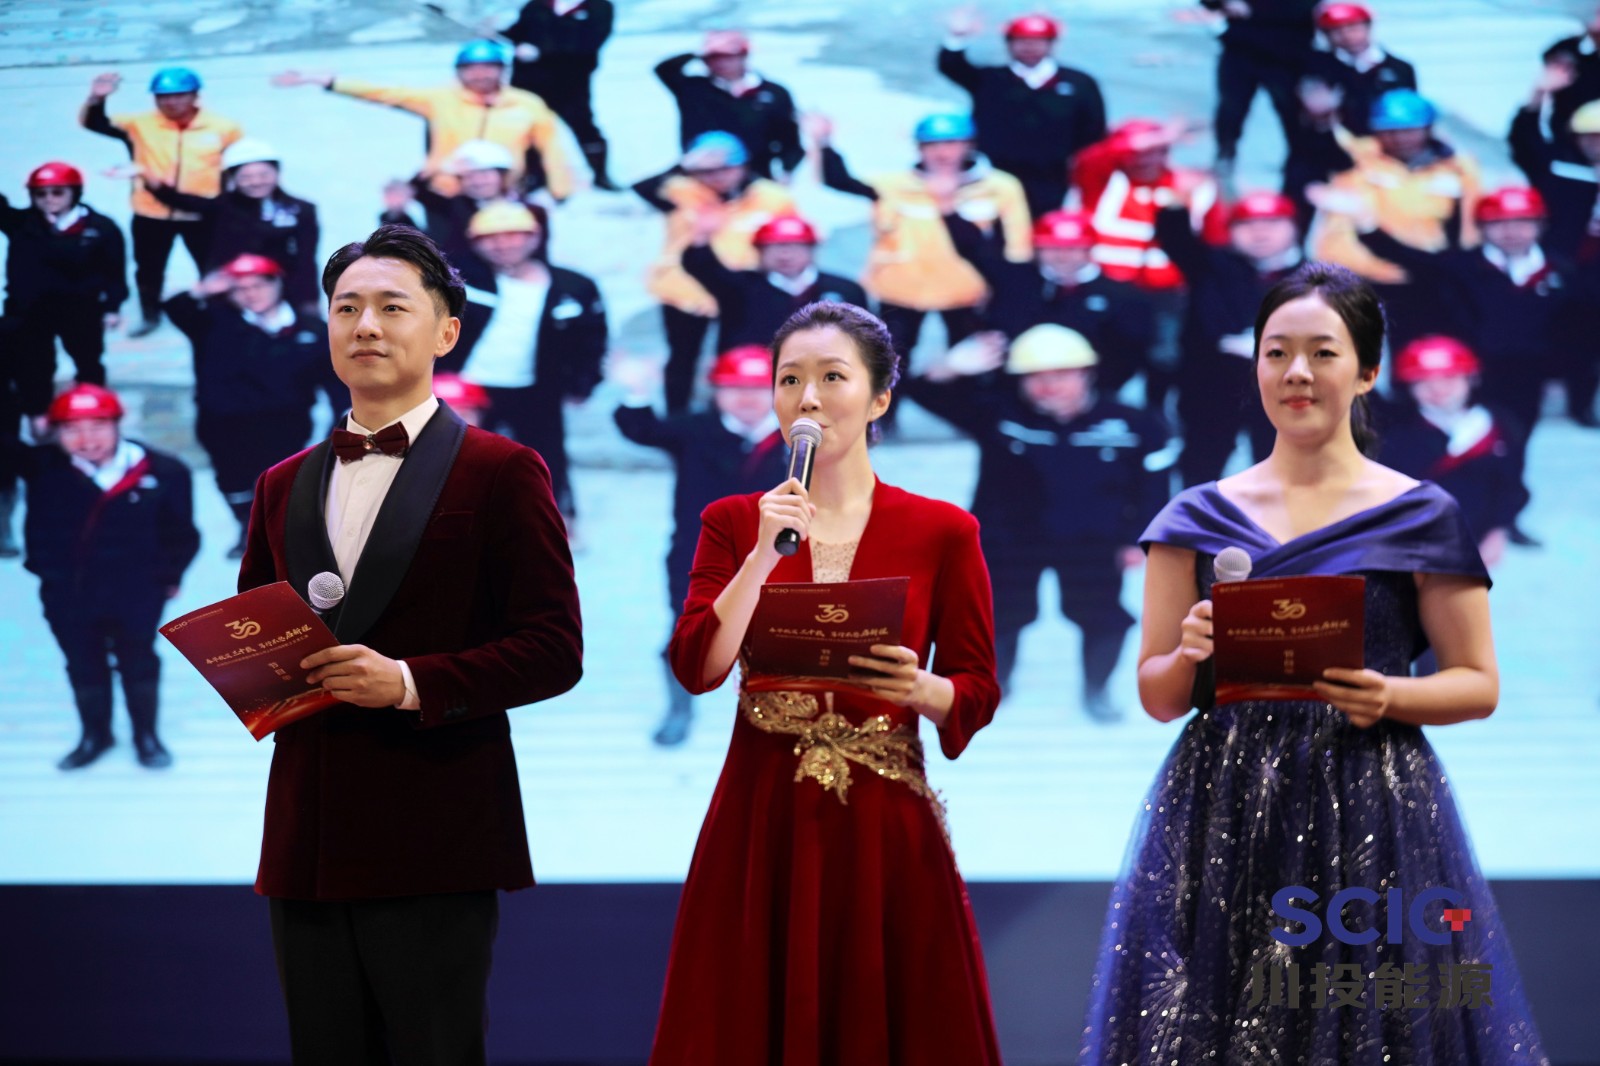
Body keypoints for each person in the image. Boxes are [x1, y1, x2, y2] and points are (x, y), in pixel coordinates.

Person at [1079, 261, 1550, 1064]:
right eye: (1276, 352)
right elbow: (1158, 697)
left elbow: (1477, 684)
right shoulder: (1194, 518)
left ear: (1367, 371)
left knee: (1371, 1020)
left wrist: (1386, 695)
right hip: (1224, 803)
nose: (1296, 372)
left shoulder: (1420, 514)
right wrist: (1190, 651)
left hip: (1372, 794)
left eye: (1323, 352)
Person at [237, 224, 583, 1064]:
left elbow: (553, 648)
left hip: (435, 828)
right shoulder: (280, 483)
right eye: (346, 308)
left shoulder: (503, 469)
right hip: (307, 835)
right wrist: (248, 672)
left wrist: (406, 682)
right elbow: (259, 635)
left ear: (446, 332)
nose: (365, 325)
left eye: (392, 307)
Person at [651, 301, 1003, 1062]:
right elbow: (697, 667)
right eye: (790, 380)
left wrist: (922, 689)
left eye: (832, 377)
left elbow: (975, 688)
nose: (806, 398)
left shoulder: (944, 530)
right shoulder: (733, 522)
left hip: (884, 816)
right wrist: (763, 554)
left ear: (879, 398)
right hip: (762, 814)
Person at [901, 325, 1170, 719]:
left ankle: (1097, 691)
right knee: (998, 615)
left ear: (1087, 373)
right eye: (1035, 377)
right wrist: (949, 367)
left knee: (1105, 619)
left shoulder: (1135, 425)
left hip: (1093, 541)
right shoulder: (1000, 413)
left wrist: (1139, 541)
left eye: (1061, 375)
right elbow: (919, 392)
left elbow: (1154, 489)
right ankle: (995, 684)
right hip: (1010, 540)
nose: (1048, 386)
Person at [612, 345, 790, 746]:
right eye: (734, 388)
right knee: (689, 626)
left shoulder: (801, 436)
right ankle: (680, 707)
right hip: (698, 553)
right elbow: (642, 430)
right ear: (715, 391)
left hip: (778, 556)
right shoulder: (696, 430)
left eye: (758, 388)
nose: (746, 398)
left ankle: (777, 704)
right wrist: (637, 390)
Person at [18, 384, 198, 770]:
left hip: (137, 593)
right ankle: (95, 735)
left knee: (139, 660)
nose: (86, 440)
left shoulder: (164, 472)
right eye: (71, 430)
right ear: (55, 432)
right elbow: (37, 533)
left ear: (118, 424)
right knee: (82, 662)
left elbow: (182, 534)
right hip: (69, 594)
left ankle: (146, 736)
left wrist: (168, 577)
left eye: (98, 426)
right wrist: (50, 576)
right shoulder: (44, 471)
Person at [812, 112, 1031, 390]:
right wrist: (823, 142)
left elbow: (1017, 248)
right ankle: (887, 412)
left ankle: (966, 410)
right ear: (918, 148)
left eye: (951, 143)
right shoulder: (892, 185)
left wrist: (1007, 293)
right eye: (931, 144)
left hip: (968, 293)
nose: (942, 152)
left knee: (972, 364)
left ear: (970, 144)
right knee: (890, 362)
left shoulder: (1001, 187)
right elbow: (838, 180)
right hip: (902, 291)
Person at [165, 254, 343, 558]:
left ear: (278, 284)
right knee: (233, 480)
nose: (251, 294)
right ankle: (248, 531)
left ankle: (281, 535)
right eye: (240, 288)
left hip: (285, 423)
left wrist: (342, 416)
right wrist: (203, 289)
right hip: (223, 423)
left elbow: (335, 380)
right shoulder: (212, 322)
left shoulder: (312, 330)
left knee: (280, 480)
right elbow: (176, 308)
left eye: (258, 285)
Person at [0, 161, 128, 556]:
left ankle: (91, 413)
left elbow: (116, 270)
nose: (49, 200)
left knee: (89, 363)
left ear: (74, 192)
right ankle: (39, 415)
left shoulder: (100, 228)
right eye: (40, 194)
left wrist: (113, 305)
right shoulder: (22, 223)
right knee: (33, 366)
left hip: (80, 310)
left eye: (57, 192)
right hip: (28, 312)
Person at [455, 202, 607, 526]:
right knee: (461, 457)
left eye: (513, 235)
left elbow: (592, 339)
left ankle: (553, 522)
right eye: (490, 237)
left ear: (535, 237)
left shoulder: (573, 286)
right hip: (469, 386)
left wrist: (584, 383)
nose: (502, 244)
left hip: (537, 385)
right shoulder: (460, 280)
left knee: (545, 457)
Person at [272, 41, 574, 202]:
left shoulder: (527, 104)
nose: (480, 75)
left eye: (488, 67)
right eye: (471, 68)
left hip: (503, 192)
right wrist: (331, 82)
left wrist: (559, 190)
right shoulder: (441, 99)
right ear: (459, 72)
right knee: (445, 263)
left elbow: (552, 149)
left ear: (502, 69)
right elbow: (387, 94)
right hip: (446, 191)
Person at [1072, 118, 1228, 409]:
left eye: (1157, 151)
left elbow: (1216, 244)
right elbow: (1089, 158)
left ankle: (1156, 414)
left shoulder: (1195, 185)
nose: (1146, 159)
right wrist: (1154, 137)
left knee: (1165, 359)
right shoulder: (1102, 181)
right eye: (1138, 152)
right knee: (1107, 358)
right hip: (1112, 291)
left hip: (1169, 295)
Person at [1310, 89, 1483, 351]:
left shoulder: (1457, 169)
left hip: (1426, 280)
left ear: (1428, 128)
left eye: (1410, 130)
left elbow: (1472, 228)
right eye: (1389, 130)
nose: (1400, 138)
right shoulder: (1358, 160)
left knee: (1420, 353)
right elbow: (1321, 145)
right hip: (1358, 283)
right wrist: (1322, 118)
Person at [636, 132, 795, 413]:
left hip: (742, 290)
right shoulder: (681, 192)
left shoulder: (771, 197)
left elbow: (790, 239)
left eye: (725, 168)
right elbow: (641, 187)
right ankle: (678, 419)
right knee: (683, 357)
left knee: (740, 352)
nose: (717, 177)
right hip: (687, 290)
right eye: (706, 171)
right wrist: (686, 163)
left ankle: (731, 416)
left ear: (744, 165)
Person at [79, 67, 243, 336]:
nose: (171, 102)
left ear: (195, 95)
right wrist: (97, 98)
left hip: (202, 214)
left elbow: (237, 169)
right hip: (151, 212)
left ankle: (220, 314)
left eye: (180, 95)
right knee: (149, 270)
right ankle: (150, 314)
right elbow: (95, 123)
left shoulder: (224, 128)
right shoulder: (139, 125)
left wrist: (229, 208)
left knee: (213, 266)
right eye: (162, 96)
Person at [1157, 190, 1305, 486]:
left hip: (1285, 395)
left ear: (1295, 227)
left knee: (1284, 474)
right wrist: (1177, 198)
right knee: (1200, 471)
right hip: (1212, 394)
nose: (1260, 233)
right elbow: (1174, 236)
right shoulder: (1211, 265)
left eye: (1272, 223)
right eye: (1247, 224)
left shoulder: (1320, 278)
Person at [944, 208, 1153, 393]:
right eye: (1052, 248)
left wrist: (1086, 393)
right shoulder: (1013, 280)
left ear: (1089, 249)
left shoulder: (1122, 296)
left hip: (1088, 395)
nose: (1062, 257)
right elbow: (973, 250)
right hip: (1010, 389)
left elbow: (1130, 354)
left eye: (1072, 249)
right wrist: (947, 210)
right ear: (1037, 249)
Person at [937, 10, 1107, 217]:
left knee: (1043, 227)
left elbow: (1094, 133)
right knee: (988, 225)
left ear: (1052, 44)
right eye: (1021, 41)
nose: (1029, 47)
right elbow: (951, 66)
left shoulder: (1079, 83)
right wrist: (957, 36)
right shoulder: (990, 79)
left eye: (1037, 41)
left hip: (1051, 178)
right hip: (993, 174)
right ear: (1009, 44)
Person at [1377, 336, 1527, 570]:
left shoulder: (1498, 425)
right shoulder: (1396, 434)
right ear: (1408, 386)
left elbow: (1510, 485)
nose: (1437, 389)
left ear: (1471, 378)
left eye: (1449, 377)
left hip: (1474, 537)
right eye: (1422, 381)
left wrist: (1499, 530)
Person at [144, 138, 323, 314]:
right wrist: (155, 185)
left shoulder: (302, 209)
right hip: (229, 286)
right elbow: (186, 202)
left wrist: (309, 301)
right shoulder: (221, 206)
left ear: (277, 173)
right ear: (232, 178)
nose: (256, 182)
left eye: (264, 175)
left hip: (276, 286)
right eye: (246, 177)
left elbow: (306, 259)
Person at [1283, 2, 1417, 229]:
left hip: (1379, 156)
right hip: (1321, 152)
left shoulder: (1399, 69)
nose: (1346, 36)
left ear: (1368, 28)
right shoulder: (1311, 65)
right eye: (1336, 31)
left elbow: (1410, 115)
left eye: (1353, 28)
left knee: (1386, 215)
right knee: (1297, 209)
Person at [681, 212, 868, 349]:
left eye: (795, 246)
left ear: (812, 250)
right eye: (775, 247)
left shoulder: (845, 289)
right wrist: (701, 237)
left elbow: (866, 338)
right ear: (759, 252)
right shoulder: (740, 287)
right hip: (753, 380)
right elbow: (702, 267)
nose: (785, 255)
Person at [654, 31, 804, 181]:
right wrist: (696, 53)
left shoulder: (773, 93)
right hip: (700, 173)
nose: (720, 63)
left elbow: (790, 138)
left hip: (755, 174)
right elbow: (664, 70)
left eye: (728, 57)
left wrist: (787, 171)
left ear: (743, 55)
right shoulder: (693, 88)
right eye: (713, 58)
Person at [499, 0, 618, 189]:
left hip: (571, 83)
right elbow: (521, 32)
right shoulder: (536, 5)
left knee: (584, 127)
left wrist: (540, 50)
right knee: (529, 129)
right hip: (529, 81)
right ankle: (534, 177)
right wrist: (501, 33)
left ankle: (600, 174)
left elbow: (590, 41)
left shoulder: (598, 7)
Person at [1199, 0, 1319, 182]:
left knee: (1294, 114)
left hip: (1288, 54)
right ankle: (1225, 156)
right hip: (1240, 50)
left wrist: (1254, 10)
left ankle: (1300, 167)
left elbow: (1306, 8)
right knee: (1231, 110)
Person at [1509, 85, 1600, 264]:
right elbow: (1524, 142)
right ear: (1575, 137)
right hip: (1563, 262)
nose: (1597, 143)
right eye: (1590, 136)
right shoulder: (1559, 167)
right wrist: (1538, 95)